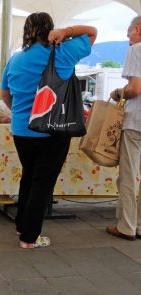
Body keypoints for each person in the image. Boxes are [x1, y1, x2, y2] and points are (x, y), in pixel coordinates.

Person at [0, 12, 97, 249]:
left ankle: (22, 226)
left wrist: (21, 113)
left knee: (29, 176)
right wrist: (67, 32)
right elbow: (92, 32)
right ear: (50, 28)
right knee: (42, 183)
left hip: (22, 129)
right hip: (53, 130)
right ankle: (30, 238)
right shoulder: (62, 53)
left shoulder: (15, 59)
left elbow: (4, 93)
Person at [106, 16, 141, 241]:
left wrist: (119, 92)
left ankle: (127, 226)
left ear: (138, 29)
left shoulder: (136, 49)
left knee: (128, 175)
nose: (127, 38)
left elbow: (135, 88)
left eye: (128, 33)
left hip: (137, 121)